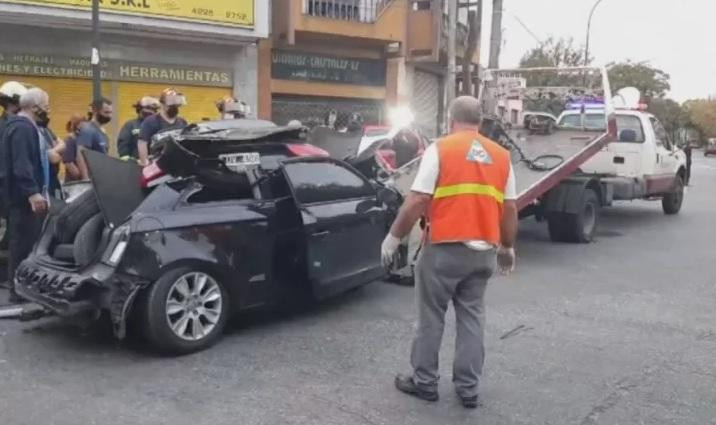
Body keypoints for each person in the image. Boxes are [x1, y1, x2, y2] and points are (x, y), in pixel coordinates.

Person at [381, 96, 519, 409]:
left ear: (450, 118)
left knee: (431, 317)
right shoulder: (501, 156)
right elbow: (509, 208)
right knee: (472, 318)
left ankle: (425, 382)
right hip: (483, 251)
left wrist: (393, 238)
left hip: (443, 248)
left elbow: (417, 200)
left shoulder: (441, 149)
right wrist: (507, 247)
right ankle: (469, 389)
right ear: (481, 121)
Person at [0, 88, 50, 303]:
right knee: (23, 244)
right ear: (34, 107)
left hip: (20, 196)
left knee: (24, 242)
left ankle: (20, 289)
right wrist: (32, 193)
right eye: (46, 106)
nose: (48, 110)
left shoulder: (24, 127)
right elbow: (22, 164)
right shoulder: (22, 129)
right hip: (22, 199)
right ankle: (18, 292)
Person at [138, 88, 188, 165]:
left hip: (178, 164)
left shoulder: (182, 122)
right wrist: (145, 163)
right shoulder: (151, 122)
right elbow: (142, 143)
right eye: (172, 106)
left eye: (177, 106)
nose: (175, 108)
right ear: (162, 104)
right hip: (157, 165)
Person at [75, 97, 113, 180]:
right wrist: (85, 178)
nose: (109, 116)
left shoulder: (102, 132)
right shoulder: (88, 130)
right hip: (92, 179)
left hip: (100, 177)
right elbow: (80, 154)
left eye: (111, 113)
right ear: (95, 111)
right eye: (106, 112)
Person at [36, 112, 65, 198]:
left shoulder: (47, 129)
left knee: (59, 201)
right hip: (45, 181)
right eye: (46, 108)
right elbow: (54, 158)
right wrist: (57, 152)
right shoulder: (36, 132)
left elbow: (63, 144)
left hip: (55, 179)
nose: (48, 112)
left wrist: (53, 151)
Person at [62, 114, 86, 182]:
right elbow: (68, 162)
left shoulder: (81, 139)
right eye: (82, 123)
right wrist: (80, 176)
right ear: (76, 125)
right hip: (74, 183)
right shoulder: (70, 140)